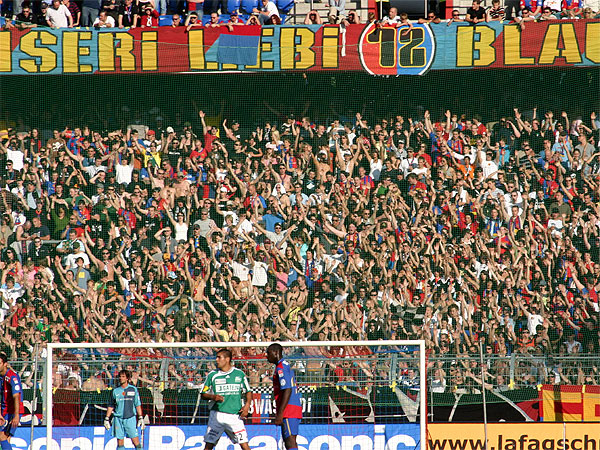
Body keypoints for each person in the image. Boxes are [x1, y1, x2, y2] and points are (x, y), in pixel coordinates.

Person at [200, 349, 252, 450]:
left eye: (219, 357)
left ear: (227, 359)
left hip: (234, 416)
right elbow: (203, 394)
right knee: (208, 446)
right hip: (216, 416)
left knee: (244, 445)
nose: (216, 360)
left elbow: (248, 391)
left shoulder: (239, 374)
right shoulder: (212, 375)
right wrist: (213, 397)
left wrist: (247, 406)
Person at [266, 343, 302, 450]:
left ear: (276, 353)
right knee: (289, 441)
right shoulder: (284, 365)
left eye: (269, 353)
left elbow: (287, 389)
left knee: (290, 441)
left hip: (289, 409)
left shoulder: (281, 367)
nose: (267, 356)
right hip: (291, 407)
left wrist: (280, 413)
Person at [104, 369, 144, 450]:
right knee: (120, 442)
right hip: (118, 419)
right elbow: (111, 405)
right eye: (120, 376)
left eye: (123, 376)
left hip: (130, 418)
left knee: (136, 441)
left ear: (127, 378)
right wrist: (106, 418)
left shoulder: (133, 389)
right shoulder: (115, 391)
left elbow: (137, 404)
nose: (121, 378)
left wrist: (140, 417)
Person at [0, 352, 23, 450]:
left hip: (12, 411)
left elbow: (16, 396)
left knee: (2, 436)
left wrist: (16, 415)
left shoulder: (12, 377)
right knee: (6, 438)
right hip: (4, 410)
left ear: (5, 364)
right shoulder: (1, 377)